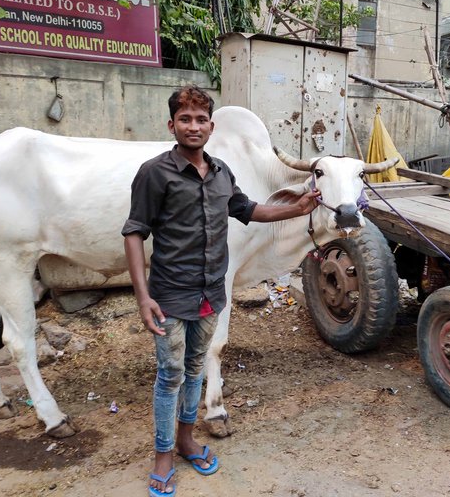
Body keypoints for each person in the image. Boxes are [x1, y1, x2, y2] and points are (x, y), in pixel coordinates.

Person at [122, 85, 319, 497]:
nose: (193, 126)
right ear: (171, 124)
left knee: (196, 369)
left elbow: (248, 210)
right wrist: (143, 296)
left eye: (200, 120)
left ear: (212, 126)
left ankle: (187, 439)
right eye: (185, 119)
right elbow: (134, 233)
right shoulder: (154, 173)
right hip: (170, 296)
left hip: (211, 293)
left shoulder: (221, 172)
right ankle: (163, 454)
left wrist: (296, 209)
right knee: (169, 376)